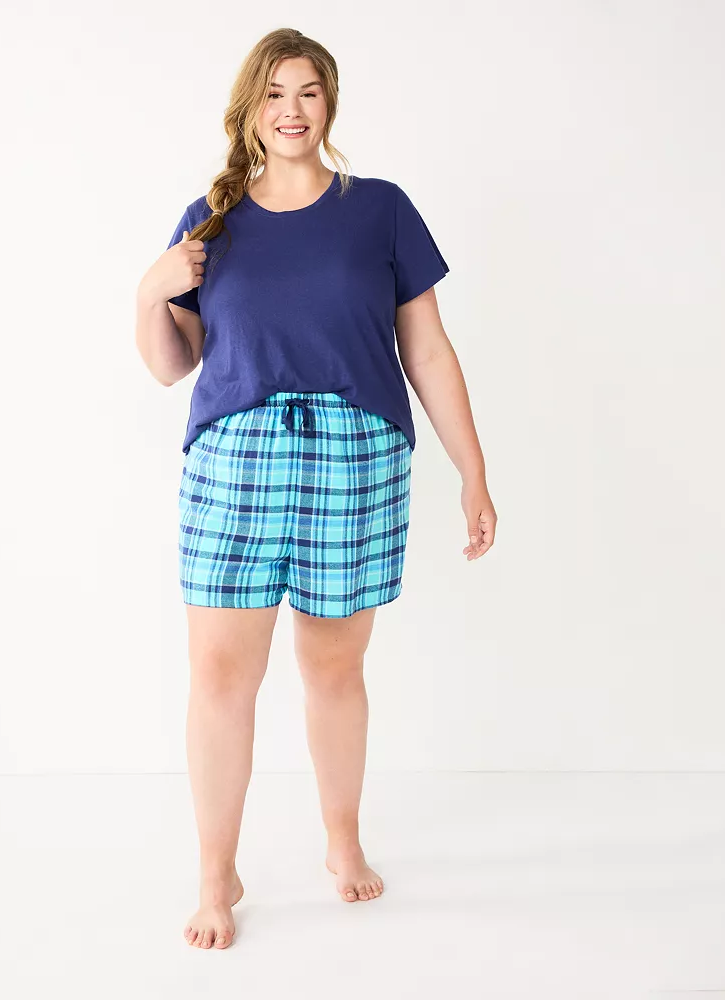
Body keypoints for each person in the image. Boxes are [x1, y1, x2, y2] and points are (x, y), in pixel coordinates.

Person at [136, 28, 497, 950]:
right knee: (221, 676)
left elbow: (427, 350)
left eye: (307, 92)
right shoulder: (209, 221)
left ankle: (343, 840)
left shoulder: (379, 209)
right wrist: (150, 291)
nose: (291, 110)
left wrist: (473, 470)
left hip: (353, 455)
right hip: (237, 459)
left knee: (334, 668)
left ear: (329, 102)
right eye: (274, 93)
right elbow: (170, 365)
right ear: (250, 109)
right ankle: (215, 876)